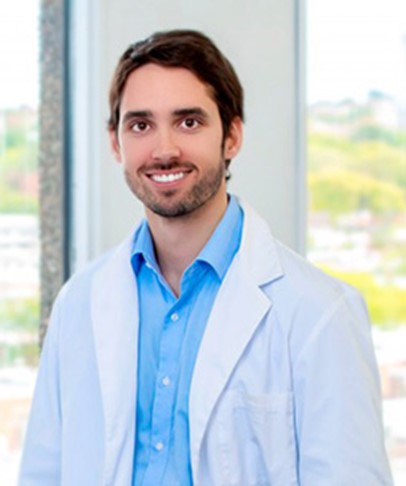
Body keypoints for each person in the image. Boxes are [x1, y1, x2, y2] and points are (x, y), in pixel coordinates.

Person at [19, 29, 393, 486]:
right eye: (140, 125)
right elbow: (43, 474)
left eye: (189, 122)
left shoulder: (321, 312)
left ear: (231, 136)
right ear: (115, 143)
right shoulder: (78, 304)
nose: (164, 150)